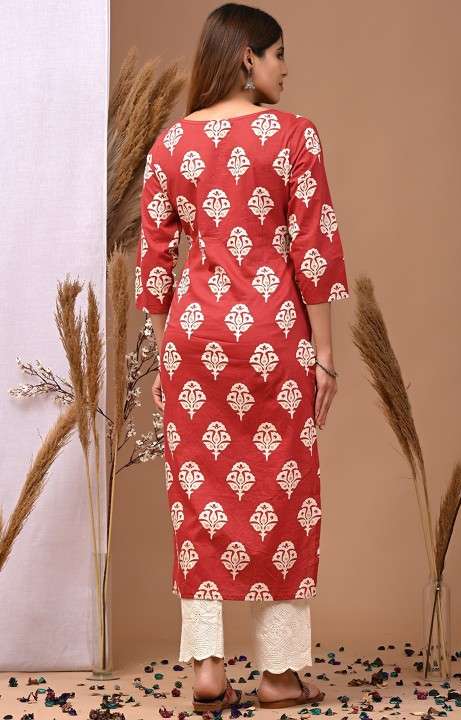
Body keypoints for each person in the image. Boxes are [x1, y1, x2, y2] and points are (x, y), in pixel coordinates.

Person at [135, 2, 350, 712]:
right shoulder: (293, 136)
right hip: (272, 339)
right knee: (283, 497)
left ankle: (206, 671)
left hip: (193, 343)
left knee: (197, 499)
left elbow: (155, 263)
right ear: (246, 58)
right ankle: (280, 676)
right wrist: (324, 353)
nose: (286, 68)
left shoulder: (171, 144)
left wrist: (163, 356)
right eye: (278, 53)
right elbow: (313, 249)